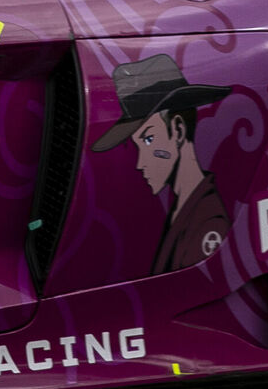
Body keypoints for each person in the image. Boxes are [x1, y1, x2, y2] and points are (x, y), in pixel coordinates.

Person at [91, 54, 232, 272]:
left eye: (149, 139)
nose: (140, 163)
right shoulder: (181, 210)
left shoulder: (207, 221)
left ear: (177, 130)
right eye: (139, 145)